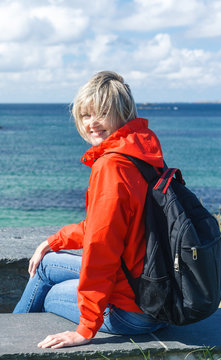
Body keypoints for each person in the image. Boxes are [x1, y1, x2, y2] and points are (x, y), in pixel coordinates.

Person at [13, 71, 169, 348]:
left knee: (49, 295)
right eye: (86, 115)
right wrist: (54, 240)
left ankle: (8, 345)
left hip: (133, 312)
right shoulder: (143, 154)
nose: (92, 123)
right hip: (159, 297)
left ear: (122, 113)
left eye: (102, 113)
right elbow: (109, 224)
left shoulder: (111, 166)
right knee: (47, 263)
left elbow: (101, 248)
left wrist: (85, 329)